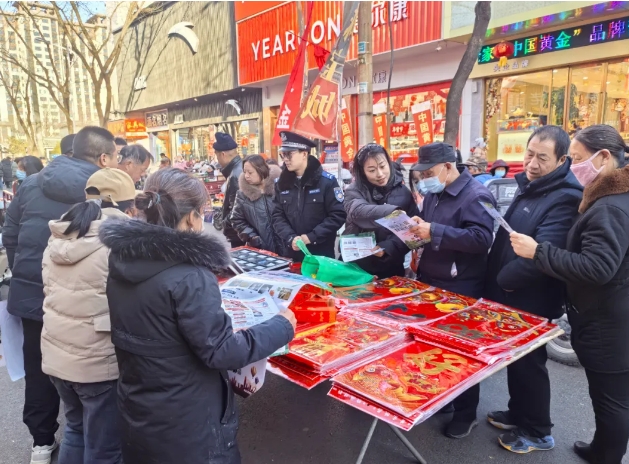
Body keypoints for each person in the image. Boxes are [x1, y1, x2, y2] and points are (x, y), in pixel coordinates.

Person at [99, 168, 296, 464]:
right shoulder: (190, 275)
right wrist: (281, 326)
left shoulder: (123, 257)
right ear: (192, 217)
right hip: (189, 424)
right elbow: (221, 351)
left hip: (140, 409)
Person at [457, 125, 583, 452]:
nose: (532, 163)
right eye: (529, 154)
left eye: (542, 157)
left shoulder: (565, 197)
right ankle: (518, 412)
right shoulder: (532, 185)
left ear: (561, 160)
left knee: (530, 364)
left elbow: (541, 254)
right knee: (516, 360)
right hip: (509, 294)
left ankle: (539, 431)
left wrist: (501, 282)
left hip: (531, 297)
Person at [511, 125, 629, 464]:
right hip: (611, 311)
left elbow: (597, 267)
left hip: (609, 319)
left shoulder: (609, 207)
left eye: (576, 159)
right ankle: (602, 448)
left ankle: (606, 456)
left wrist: (538, 252)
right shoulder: (613, 197)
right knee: (611, 397)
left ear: (603, 157)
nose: (573, 166)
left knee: (612, 400)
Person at [3, 126, 118, 464]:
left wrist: (27, 273)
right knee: (85, 366)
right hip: (83, 298)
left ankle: (41, 443)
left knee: (39, 369)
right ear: (102, 157)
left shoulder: (31, 183)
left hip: (31, 294)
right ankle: (85, 435)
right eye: (113, 157)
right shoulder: (99, 187)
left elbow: (10, 233)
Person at [41, 168, 136, 464]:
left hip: (58, 356)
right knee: (105, 447)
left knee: (76, 431)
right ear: (126, 205)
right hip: (97, 364)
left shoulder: (59, 236)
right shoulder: (118, 242)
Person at [409, 142, 495, 439]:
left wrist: (435, 231)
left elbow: (482, 238)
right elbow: (430, 228)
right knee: (435, 348)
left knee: (460, 352)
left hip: (461, 285)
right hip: (431, 280)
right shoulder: (434, 192)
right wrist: (419, 228)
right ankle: (445, 398)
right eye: (421, 174)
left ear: (449, 166)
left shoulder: (477, 194)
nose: (424, 179)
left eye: (429, 172)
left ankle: (466, 412)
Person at [343, 143, 418, 278]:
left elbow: (414, 233)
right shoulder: (354, 190)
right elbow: (358, 211)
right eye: (371, 170)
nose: (380, 174)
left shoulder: (404, 193)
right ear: (362, 172)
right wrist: (392, 213)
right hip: (358, 268)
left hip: (392, 267)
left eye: (383, 166)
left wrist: (388, 248)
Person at [272, 131, 346, 261]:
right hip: (291, 253)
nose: (285, 159)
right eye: (283, 154)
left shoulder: (327, 182)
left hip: (321, 255)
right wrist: (290, 238)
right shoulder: (281, 183)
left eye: (289, 154)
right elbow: (277, 216)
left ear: (304, 154)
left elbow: (338, 215)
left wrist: (311, 237)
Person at [230, 154, 282, 253]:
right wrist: (252, 237)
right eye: (245, 172)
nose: (246, 176)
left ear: (261, 170)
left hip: (285, 247)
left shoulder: (279, 189)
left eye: (250, 172)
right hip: (260, 250)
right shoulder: (242, 195)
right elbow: (236, 220)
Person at [214, 132, 244, 248]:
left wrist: (225, 223)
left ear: (222, 154)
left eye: (217, 156)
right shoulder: (238, 169)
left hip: (238, 234)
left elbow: (237, 209)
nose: (217, 161)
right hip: (238, 232)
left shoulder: (236, 174)